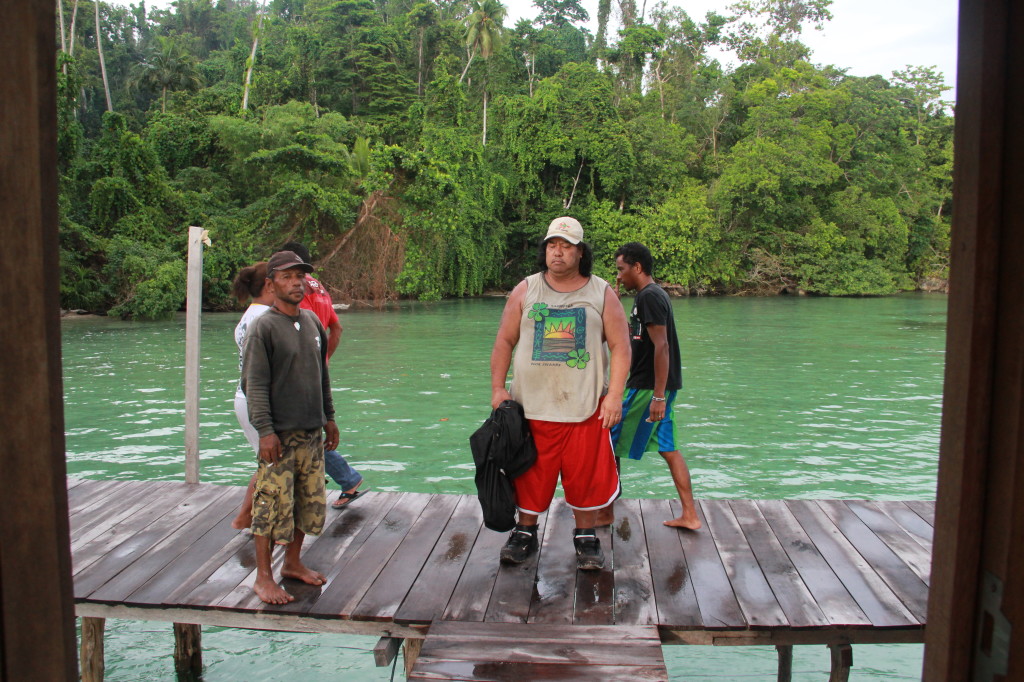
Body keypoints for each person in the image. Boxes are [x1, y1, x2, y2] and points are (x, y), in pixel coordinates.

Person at [490, 216, 631, 571]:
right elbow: (504, 341)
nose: (558, 251)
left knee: (584, 476)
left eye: (567, 246)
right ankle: (524, 532)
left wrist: (614, 396)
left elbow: (621, 346)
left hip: (585, 407)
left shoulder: (601, 292)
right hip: (531, 407)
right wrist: (496, 389)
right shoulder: (526, 289)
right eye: (553, 244)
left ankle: (586, 536)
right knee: (529, 474)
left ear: (580, 252)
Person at [241, 250, 338, 604]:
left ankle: (293, 563)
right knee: (269, 505)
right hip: (280, 435)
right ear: (271, 283)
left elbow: (320, 374)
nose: (296, 283)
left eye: (301, 276)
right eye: (287, 276)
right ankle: (263, 577)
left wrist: (329, 416)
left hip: (312, 431)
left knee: (307, 501)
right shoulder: (262, 327)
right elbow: (255, 386)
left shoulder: (312, 322)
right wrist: (265, 432)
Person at [610, 242, 701, 530]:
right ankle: (690, 515)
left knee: (607, 439)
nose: (619, 277)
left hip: (648, 386)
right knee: (668, 448)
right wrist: (615, 305)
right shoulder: (647, 296)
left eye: (622, 270)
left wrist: (658, 396)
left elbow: (662, 347)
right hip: (657, 385)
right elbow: (638, 337)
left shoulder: (649, 296)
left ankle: (603, 509)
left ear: (637, 267)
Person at [280, 241, 364, 508]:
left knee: (302, 434)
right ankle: (342, 479)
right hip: (314, 371)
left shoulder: (296, 290)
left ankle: (344, 478)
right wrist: (323, 360)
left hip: (300, 373)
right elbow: (336, 329)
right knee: (310, 431)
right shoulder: (320, 288)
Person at [229, 262, 275, 529]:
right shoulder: (266, 319)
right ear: (270, 285)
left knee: (267, 462)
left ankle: (248, 517)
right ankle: (247, 517)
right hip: (260, 401)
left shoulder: (248, 317)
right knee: (272, 464)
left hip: (243, 398)